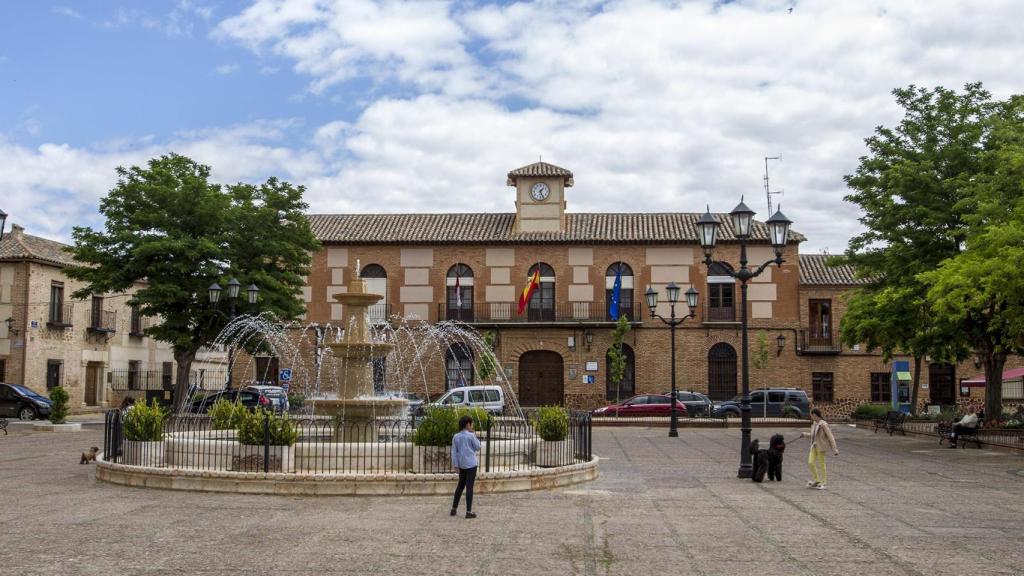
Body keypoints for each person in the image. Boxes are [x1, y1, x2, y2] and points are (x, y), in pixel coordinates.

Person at [451, 415, 481, 519]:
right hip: (472, 464)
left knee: (460, 486)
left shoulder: (456, 436)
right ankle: (468, 511)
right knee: (469, 487)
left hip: (462, 465)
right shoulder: (471, 435)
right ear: (468, 424)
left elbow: (454, 452)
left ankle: (454, 509)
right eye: (471, 424)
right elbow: (478, 447)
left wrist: (456, 465)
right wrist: (474, 435)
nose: (472, 426)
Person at [802, 408, 839, 490]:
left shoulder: (823, 424)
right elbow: (813, 435)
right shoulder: (814, 424)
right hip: (814, 446)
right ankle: (817, 480)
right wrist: (805, 434)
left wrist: (834, 449)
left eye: (811, 415)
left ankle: (824, 482)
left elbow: (830, 437)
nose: (811, 417)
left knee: (822, 464)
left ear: (815, 415)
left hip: (821, 447)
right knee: (810, 462)